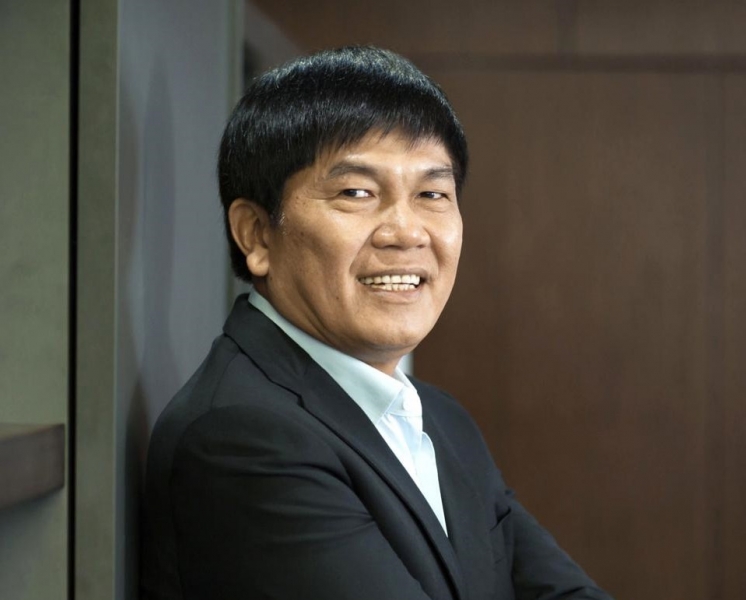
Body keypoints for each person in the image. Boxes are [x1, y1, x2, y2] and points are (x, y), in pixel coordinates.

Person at [141, 46, 613, 600]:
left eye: (432, 194)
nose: (407, 232)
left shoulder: (440, 418)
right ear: (257, 234)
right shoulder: (241, 437)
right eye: (357, 193)